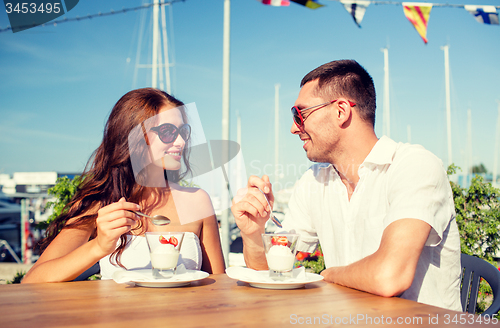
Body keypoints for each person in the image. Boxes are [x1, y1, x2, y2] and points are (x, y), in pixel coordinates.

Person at [231, 60, 461, 311]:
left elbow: (389, 277)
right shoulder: (314, 182)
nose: (293, 128)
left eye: (300, 114)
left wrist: (328, 275)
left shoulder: (413, 166)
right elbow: (273, 271)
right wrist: (253, 233)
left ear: (341, 111)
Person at [22, 88, 225, 283]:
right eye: (168, 132)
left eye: (183, 131)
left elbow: (218, 285)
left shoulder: (198, 201)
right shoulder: (100, 204)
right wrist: (99, 246)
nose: (181, 141)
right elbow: (33, 281)